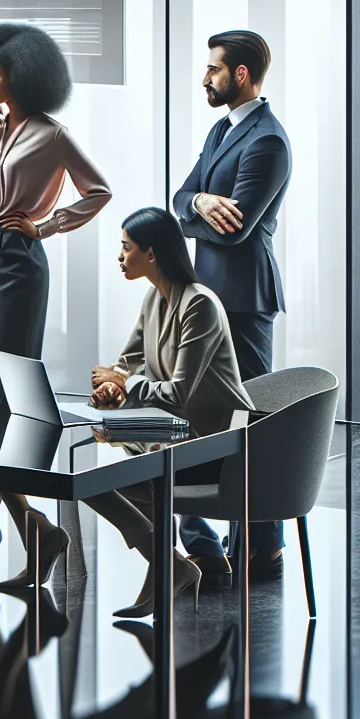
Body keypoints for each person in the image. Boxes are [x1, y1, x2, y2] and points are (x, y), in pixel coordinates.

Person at [0, 22, 111, 591]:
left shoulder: (52, 135)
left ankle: (6, 527)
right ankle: (5, 525)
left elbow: (98, 190)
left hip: (19, 255)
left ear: (22, 77)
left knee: (5, 396)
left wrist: (47, 225)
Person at [83, 208, 255, 618]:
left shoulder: (200, 305)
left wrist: (125, 382)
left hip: (216, 446)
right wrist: (114, 385)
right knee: (89, 482)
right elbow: (127, 362)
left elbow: (178, 393)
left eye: (126, 248)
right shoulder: (154, 299)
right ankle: (168, 564)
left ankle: (167, 566)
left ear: (152, 253)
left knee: (106, 482)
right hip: (173, 435)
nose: (120, 256)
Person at [170, 30, 291, 583]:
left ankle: (264, 546)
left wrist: (193, 216)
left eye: (214, 69)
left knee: (251, 419)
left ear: (241, 74)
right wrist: (198, 201)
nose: (205, 78)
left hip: (243, 300)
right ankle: (209, 543)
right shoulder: (222, 130)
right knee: (196, 415)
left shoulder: (268, 142)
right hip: (207, 295)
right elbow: (180, 198)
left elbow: (236, 231)